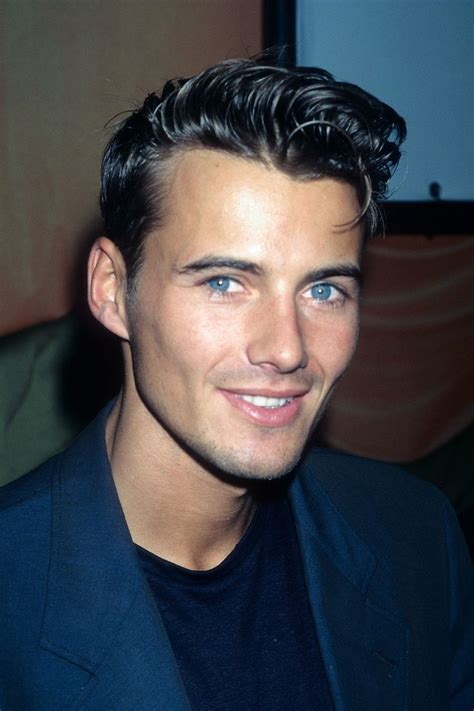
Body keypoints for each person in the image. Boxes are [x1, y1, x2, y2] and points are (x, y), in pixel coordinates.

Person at [1, 57, 472, 711]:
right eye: (224, 282)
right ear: (112, 289)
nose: (287, 348)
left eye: (325, 288)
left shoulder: (418, 540)